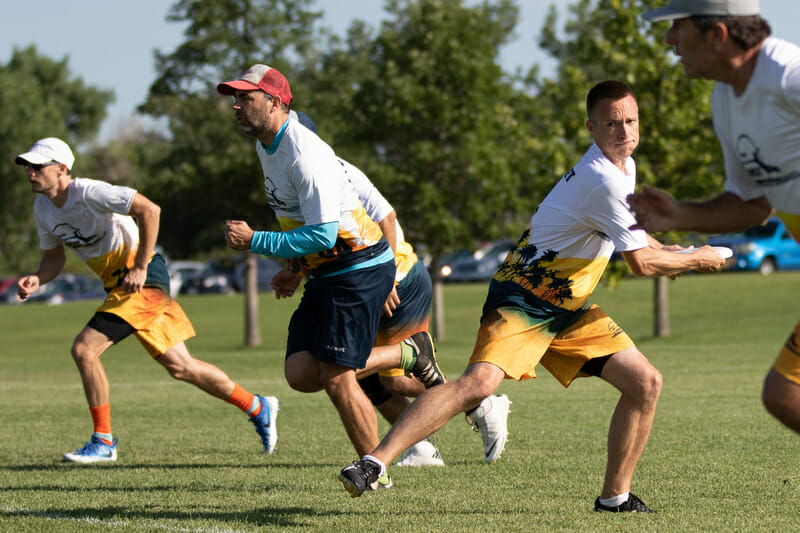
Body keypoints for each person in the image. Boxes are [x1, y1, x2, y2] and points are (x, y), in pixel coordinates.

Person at [338, 80, 727, 512]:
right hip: (523, 297)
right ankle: (374, 463)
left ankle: (615, 498)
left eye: (631, 120)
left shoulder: (623, 168)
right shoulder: (603, 178)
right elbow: (640, 264)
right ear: (591, 128)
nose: (624, 131)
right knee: (476, 385)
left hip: (565, 306)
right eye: (612, 123)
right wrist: (699, 258)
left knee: (645, 382)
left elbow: (633, 237)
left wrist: (670, 249)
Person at [216, 65, 447, 472]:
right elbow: (302, 224)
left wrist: (255, 240)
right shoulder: (265, 146)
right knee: (302, 372)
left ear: (274, 102)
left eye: (245, 97)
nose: (236, 104)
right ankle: (407, 355)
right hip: (328, 270)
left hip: (358, 266)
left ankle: (373, 469)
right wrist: (296, 268)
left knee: (338, 375)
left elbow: (324, 234)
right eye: (235, 97)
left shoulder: (305, 156)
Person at [14, 137, 280, 463]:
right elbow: (53, 258)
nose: (31, 172)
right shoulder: (42, 209)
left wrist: (140, 266)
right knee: (182, 367)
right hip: (121, 286)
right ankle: (257, 406)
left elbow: (150, 209)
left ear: (62, 169)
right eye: (28, 166)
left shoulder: (89, 192)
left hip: (143, 278)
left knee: (84, 350)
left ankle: (103, 441)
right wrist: (38, 278)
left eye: (38, 166)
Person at [284, 110, 512, 468]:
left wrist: (386, 278)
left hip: (397, 278)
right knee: (369, 382)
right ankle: (421, 447)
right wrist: (295, 272)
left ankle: (480, 401)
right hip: (351, 282)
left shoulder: (335, 170)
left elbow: (386, 216)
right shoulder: (287, 177)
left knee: (397, 382)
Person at [630, 0, 800, 435]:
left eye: (678, 28)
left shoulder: (788, 76)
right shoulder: (725, 99)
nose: (669, 40)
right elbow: (753, 205)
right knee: (785, 395)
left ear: (718, 35)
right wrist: (680, 213)